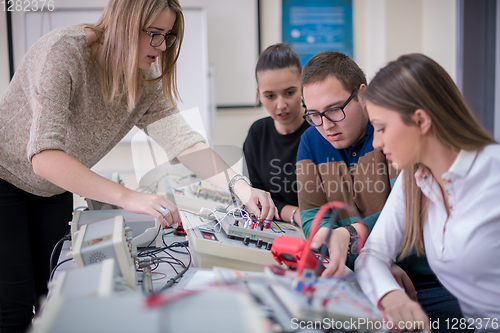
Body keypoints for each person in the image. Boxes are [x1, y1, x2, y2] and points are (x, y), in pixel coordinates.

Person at [0, 1, 277, 332]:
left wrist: (241, 187)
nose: (160, 47)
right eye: (154, 34)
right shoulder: (64, 53)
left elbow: (185, 142)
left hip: (55, 189)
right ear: (124, 24)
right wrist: (130, 198)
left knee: (52, 295)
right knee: (13, 307)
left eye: (168, 37)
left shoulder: (142, 81)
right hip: (5, 179)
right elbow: (44, 156)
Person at [297, 51, 466, 331]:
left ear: (362, 94)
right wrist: (371, 262)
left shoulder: (398, 138)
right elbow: (314, 226)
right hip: (364, 274)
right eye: (314, 114)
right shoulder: (311, 141)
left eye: (335, 109)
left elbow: (409, 219)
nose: (326, 125)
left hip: (431, 281)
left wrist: (351, 239)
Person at [356, 53, 500, 331]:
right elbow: (371, 254)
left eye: (382, 128)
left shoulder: (493, 173)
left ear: (421, 121)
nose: (375, 142)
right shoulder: (416, 178)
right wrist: (392, 297)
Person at [243, 43, 310, 226]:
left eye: (289, 93)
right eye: (270, 96)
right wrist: (296, 214)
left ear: (303, 86)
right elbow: (255, 197)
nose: (281, 105)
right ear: (259, 94)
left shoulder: (320, 130)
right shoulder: (257, 134)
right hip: (274, 227)